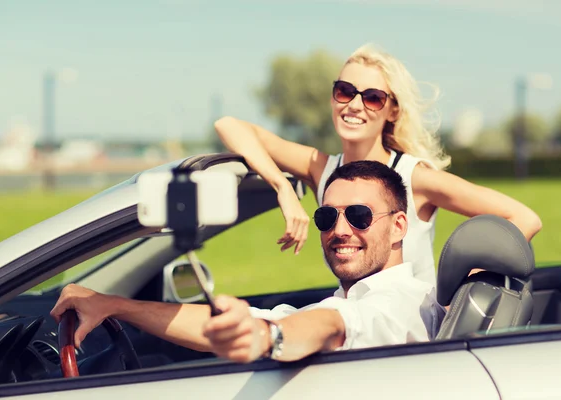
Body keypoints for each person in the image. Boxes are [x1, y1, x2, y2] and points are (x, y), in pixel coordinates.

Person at [214, 43, 542, 287]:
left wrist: (465, 285)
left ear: (392, 111)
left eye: (372, 97)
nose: (354, 105)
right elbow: (229, 125)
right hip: (361, 326)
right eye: (344, 91)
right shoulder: (322, 169)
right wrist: (282, 187)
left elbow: (524, 218)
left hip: (410, 338)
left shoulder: (415, 177)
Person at [50, 160, 442, 364]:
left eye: (359, 215)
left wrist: (265, 338)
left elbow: (332, 327)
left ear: (398, 227)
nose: (339, 230)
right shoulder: (356, 296)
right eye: (326, 217)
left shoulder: (397, 304)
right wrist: (114, 305)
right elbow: (243, 324)